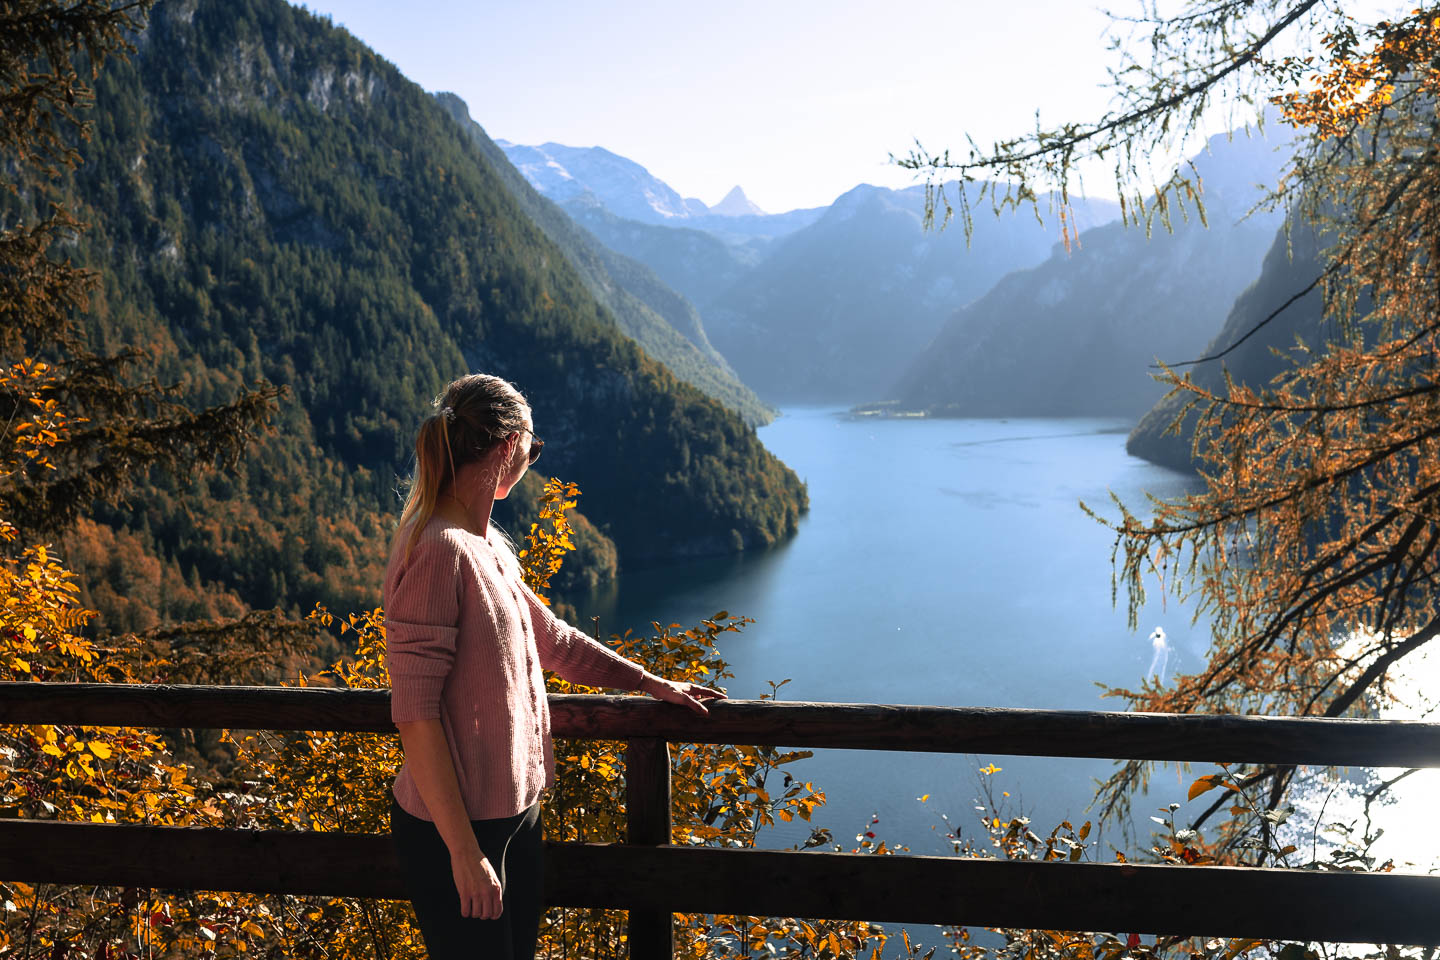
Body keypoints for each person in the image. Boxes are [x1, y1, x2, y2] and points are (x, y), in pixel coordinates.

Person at [383, 373, 725, 960]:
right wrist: (464, 855)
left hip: (513, 813)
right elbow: (415, 716)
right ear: (506, 447)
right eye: (533, 449)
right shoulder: (441, 549)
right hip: (458, 828)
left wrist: (650, 683)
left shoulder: (486, 543)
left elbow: (554, 640)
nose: (532, 461)